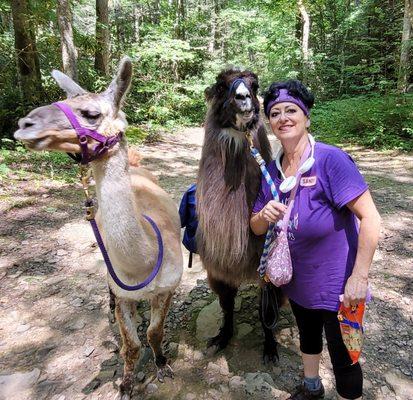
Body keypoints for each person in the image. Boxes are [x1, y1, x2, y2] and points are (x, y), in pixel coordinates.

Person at [250, 80, 381, 400]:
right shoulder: (272, 170)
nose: (283, 117)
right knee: (307, 334)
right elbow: (254, 228)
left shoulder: (330, 161)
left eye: (291, 110)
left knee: (344, 354)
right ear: (270, 123)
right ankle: (311, 387)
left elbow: (371, 218)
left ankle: (351, 395)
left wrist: (359, 276)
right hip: (296, 279)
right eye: (275, 113)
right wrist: (262, 215)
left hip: (339, 286)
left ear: (306, 117)